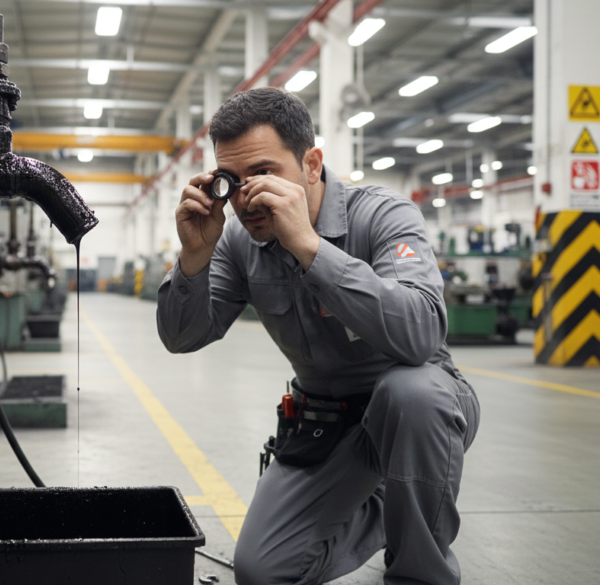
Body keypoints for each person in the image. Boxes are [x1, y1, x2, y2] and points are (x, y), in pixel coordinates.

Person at [156, 87, 480, 585]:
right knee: (262, 573)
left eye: (264, 174)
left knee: (411, 392)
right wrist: (194, 257)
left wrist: (309, 247)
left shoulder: (383, 216)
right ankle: (385, 507)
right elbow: (180, 338)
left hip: (418, 414)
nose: (247, 196)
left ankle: (420, 573)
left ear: (311, 164)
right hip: (326, 423)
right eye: (232, 179)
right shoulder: (239, 240)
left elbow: (421, 334)